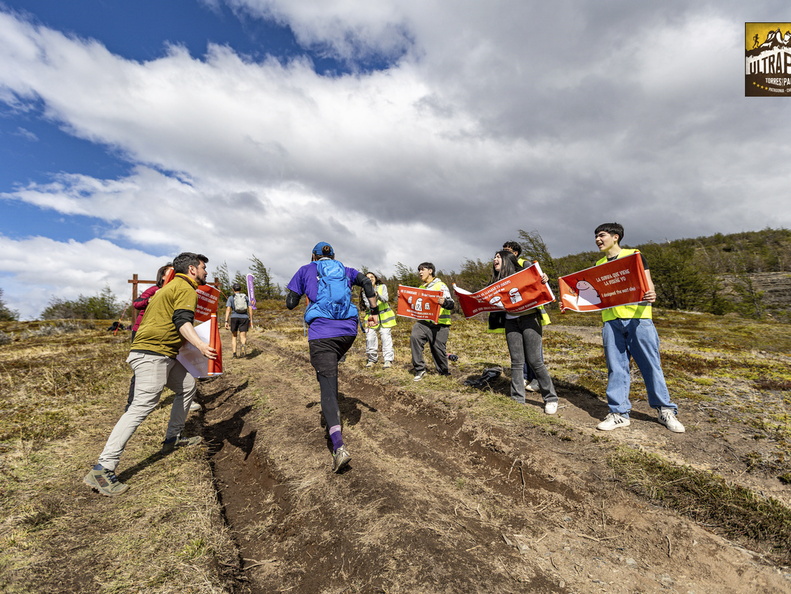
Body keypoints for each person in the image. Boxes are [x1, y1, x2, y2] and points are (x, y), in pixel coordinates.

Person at [84, 252, 217, 496]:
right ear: (191, 270)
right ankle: (103, 469)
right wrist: (200, 345)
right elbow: (182, 321)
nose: (205, 272)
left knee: (187, 386)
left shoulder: (168, 288)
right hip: (153, 354)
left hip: (162, 353)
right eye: (202, 268)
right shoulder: (186, 288)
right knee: (141, 406)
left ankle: (173, 438)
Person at [286, 242, 379, 473]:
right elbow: (367, 282)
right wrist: (374, 312)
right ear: (333, 256)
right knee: (329, 368)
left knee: (327, 387)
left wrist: (302, 293)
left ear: (313, 256)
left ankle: (338, 447)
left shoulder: (305, 270)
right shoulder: (346, 270)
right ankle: (331, 369)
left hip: (322, 334)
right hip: (348, 332)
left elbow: (290, 304)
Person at [591, 223, 685, 433]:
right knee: (616, 368)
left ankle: (665, 410)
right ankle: (618, 413)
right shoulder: (598, 264)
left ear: (616, 237)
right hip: (611, 321)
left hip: (638, 318)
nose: (598, 239)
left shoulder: (634, 255)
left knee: (651, 365)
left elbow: (647, 282)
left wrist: (651, 293)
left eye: (602, 235)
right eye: (596, 236)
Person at [491, 251, 559, 414]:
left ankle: (551, 398)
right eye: (494, 257)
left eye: (498, 257)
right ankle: (517, 399)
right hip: (510, 322)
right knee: (516, 361)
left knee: (535, 360)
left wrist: (544, 279)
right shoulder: (496, 281)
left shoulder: (523, 274)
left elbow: (539, 286)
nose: (495, 259)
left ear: (507, 260)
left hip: (530, 319)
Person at [502, 241, 551, 392]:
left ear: (515, 253)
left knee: (534, 353)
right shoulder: (503, 269)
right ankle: (524, 376)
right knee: (520, 351)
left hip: (530, 313)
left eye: (507, 251)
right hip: (513, 316)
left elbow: (537, 280)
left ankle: (537, 380)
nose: (504, 254)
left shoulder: (525, 264)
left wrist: (544, 278)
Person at [125, 263, 175, 411]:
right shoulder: (154, 290)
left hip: (162, 333)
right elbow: (136, 303)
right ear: (163, 276)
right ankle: (131, 404)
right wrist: (150, 300)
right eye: (170, 272)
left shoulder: (176, 291)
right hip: (142, 332)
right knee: (141, 369)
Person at [410, 262, 455, 381]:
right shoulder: (421, 288)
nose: (420, 272)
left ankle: (443, 372)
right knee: (415, 337)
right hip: (423, 323)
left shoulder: (441, 285)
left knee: (438, 349)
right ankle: (419, 369)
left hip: (440, 324)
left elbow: (451, 304)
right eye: (419, 270)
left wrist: (444, 302)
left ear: (430, 271)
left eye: (422, 270)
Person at [359, 272, 396, 368]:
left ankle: (388, 360)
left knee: (386, 337)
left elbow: (385, 299)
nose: (370, 278)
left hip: (385, 316)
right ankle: (372, 359)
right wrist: (372, 297)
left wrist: (377, 295)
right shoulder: (364, 290)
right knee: (370, 337)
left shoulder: (382, 287)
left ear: (375, 278)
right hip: (371, 316)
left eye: (372, 277)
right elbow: (368, 304)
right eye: (367, 277)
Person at [224, 282, 253, 358]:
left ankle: (234, 353)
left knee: (234, 336)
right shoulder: (245, 297)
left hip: (234, 317)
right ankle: (243, 348)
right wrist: (251, 319)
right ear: (241, 289)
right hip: (244, 317)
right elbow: (250, 308)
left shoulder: (231, 298)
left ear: (233, 289)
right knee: (243, 335)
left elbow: (228, 309)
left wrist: (226, 321)